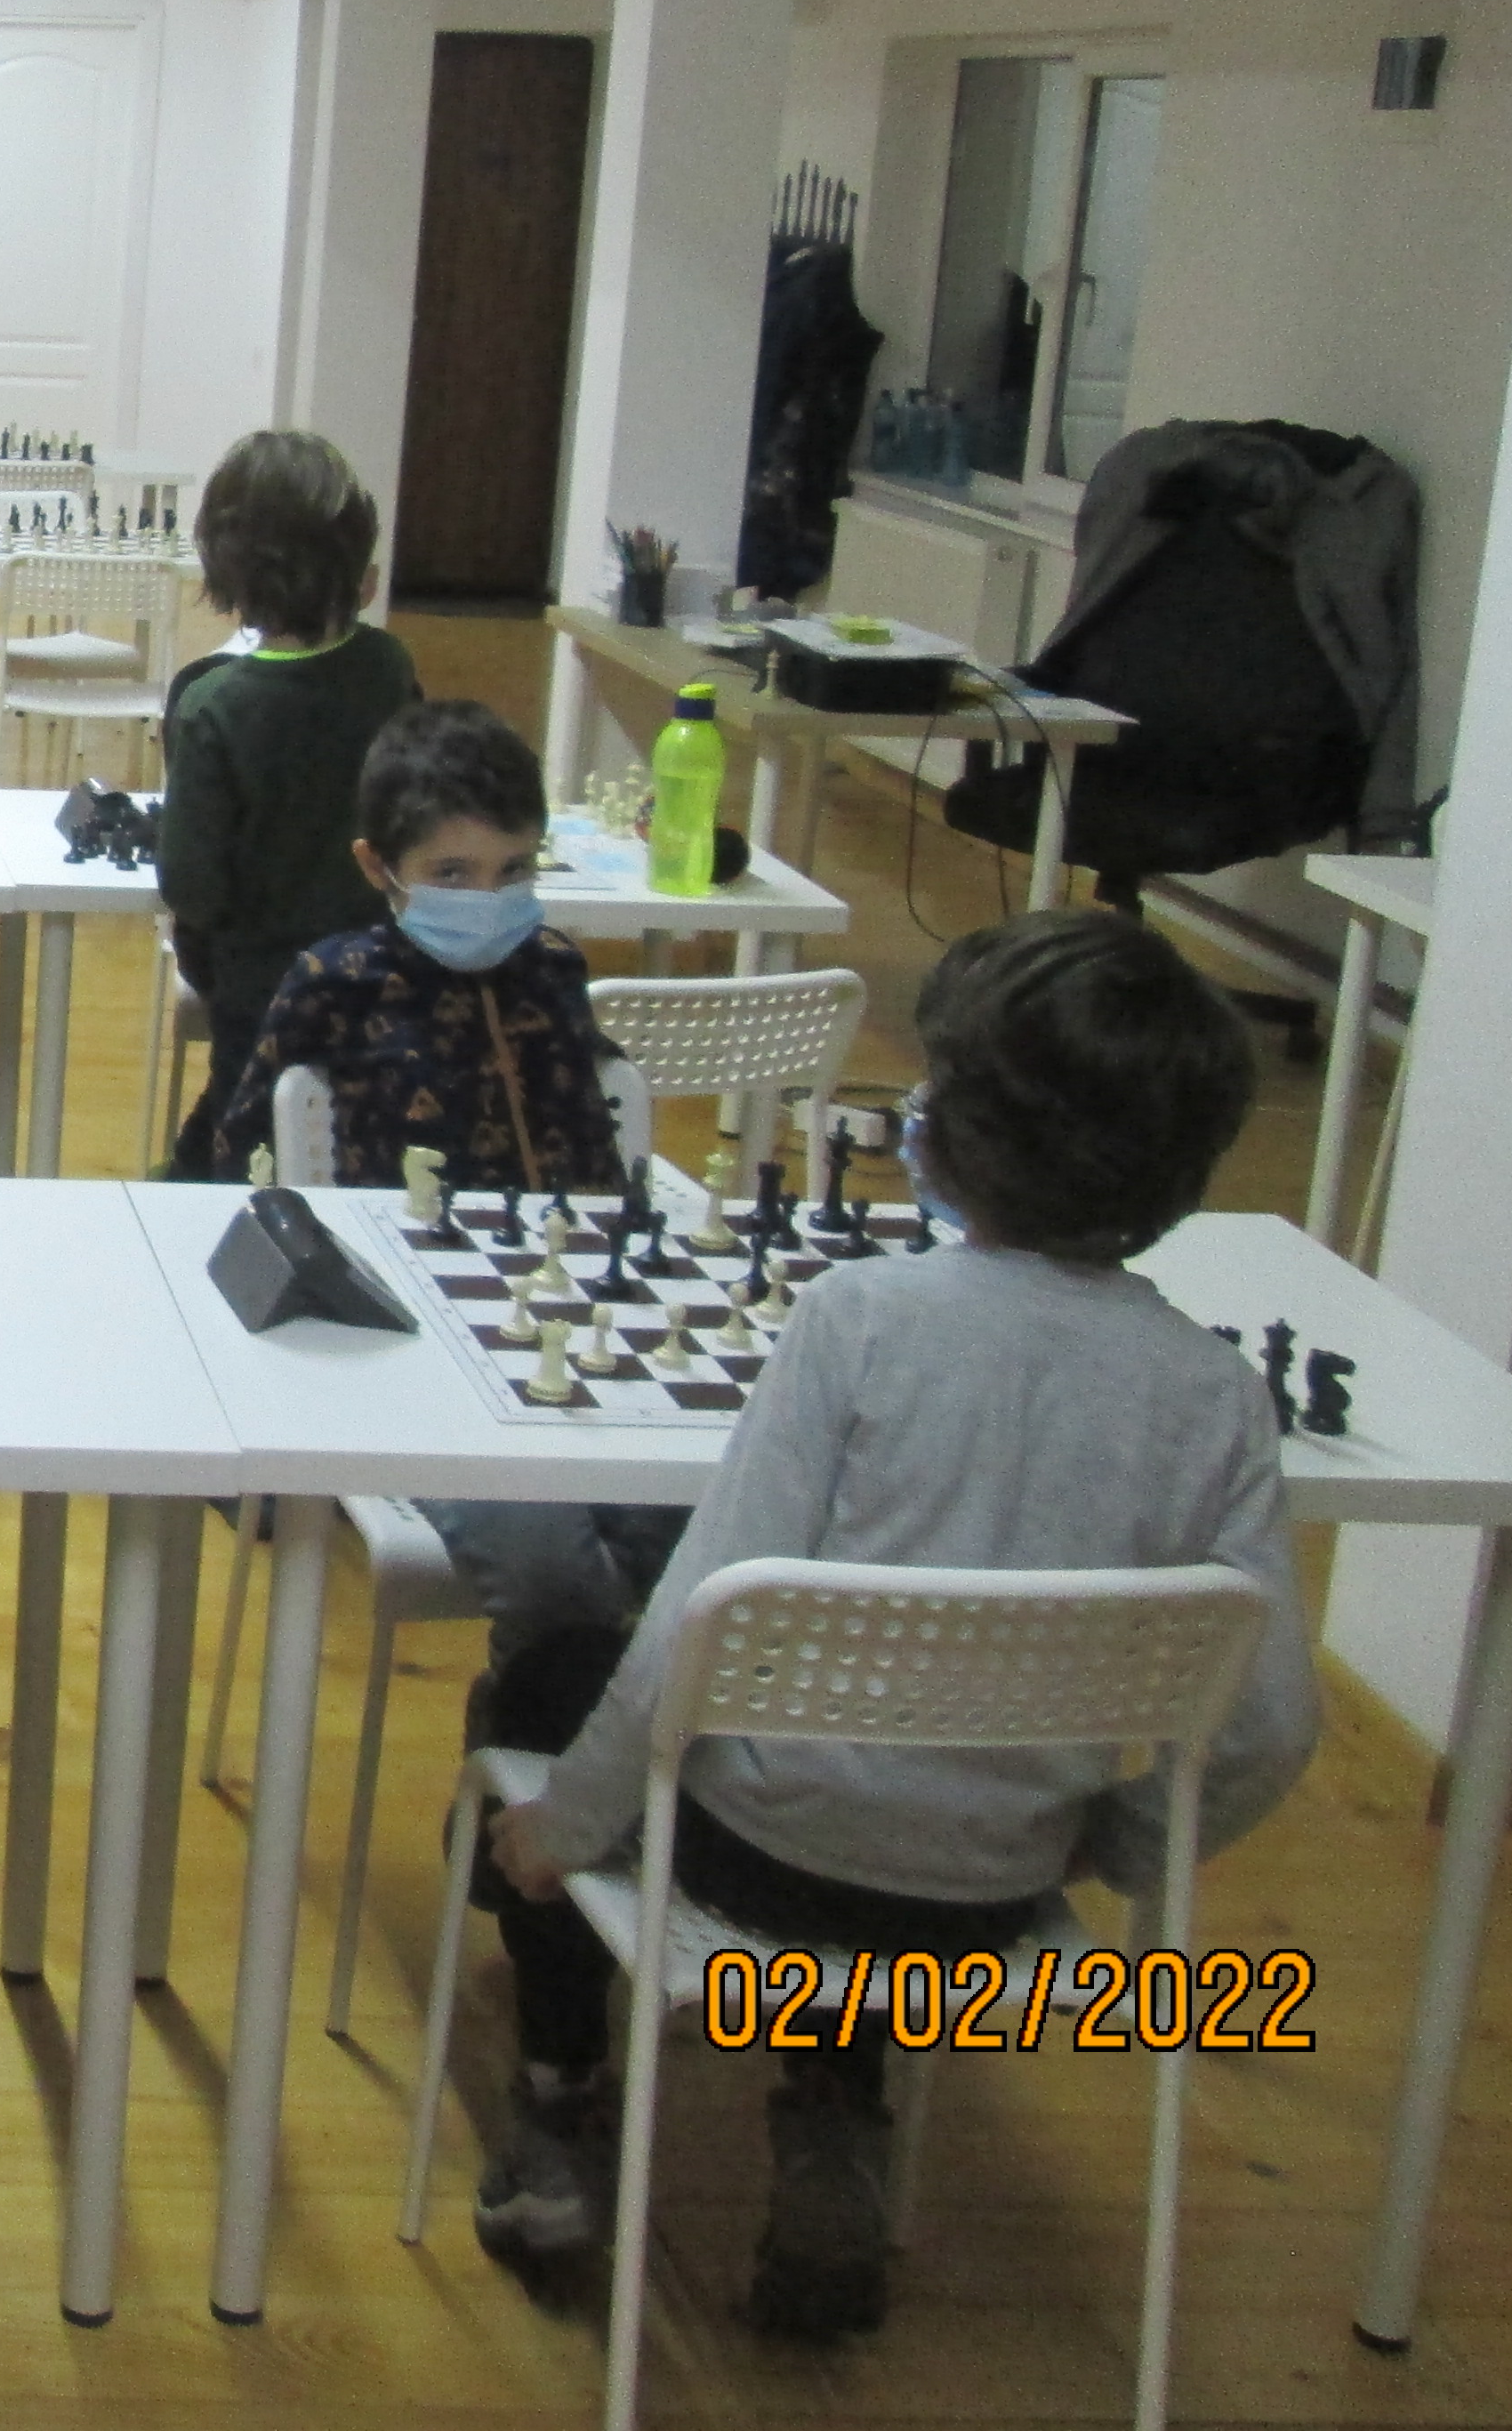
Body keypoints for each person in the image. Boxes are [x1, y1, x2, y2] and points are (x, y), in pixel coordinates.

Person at [476, 910, 1317, 2339]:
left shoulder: (860, 1319)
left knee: (552, 1682)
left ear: (963, 1132)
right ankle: (835, 2111)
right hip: (994, 1891)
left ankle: (563, 2106)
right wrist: (1113, 1845)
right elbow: (1275, 1725)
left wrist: (564, 1826)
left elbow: (690, 1634)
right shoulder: (1217, 1396)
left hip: (761, 1862)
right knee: (878, 1798)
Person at [223, 698, 656, 1677]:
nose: (488, 899)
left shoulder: (554, 970)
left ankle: (573, 1717)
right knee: (548, 1564)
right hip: (411, 1355)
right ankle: (552, 1721)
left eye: (514, 870)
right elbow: (246, 1155)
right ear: (379, 867)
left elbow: (596, 1162)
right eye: (452, 874)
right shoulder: (335, 982)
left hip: (562, 1327)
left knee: (677, 1515)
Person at [157, 430, 418, 1178]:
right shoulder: (390, 666)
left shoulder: (211, 703)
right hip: (381, 976)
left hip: (257, 987)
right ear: (359, 568)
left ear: (227, 572)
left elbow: (192, 887)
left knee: (244, 1150)